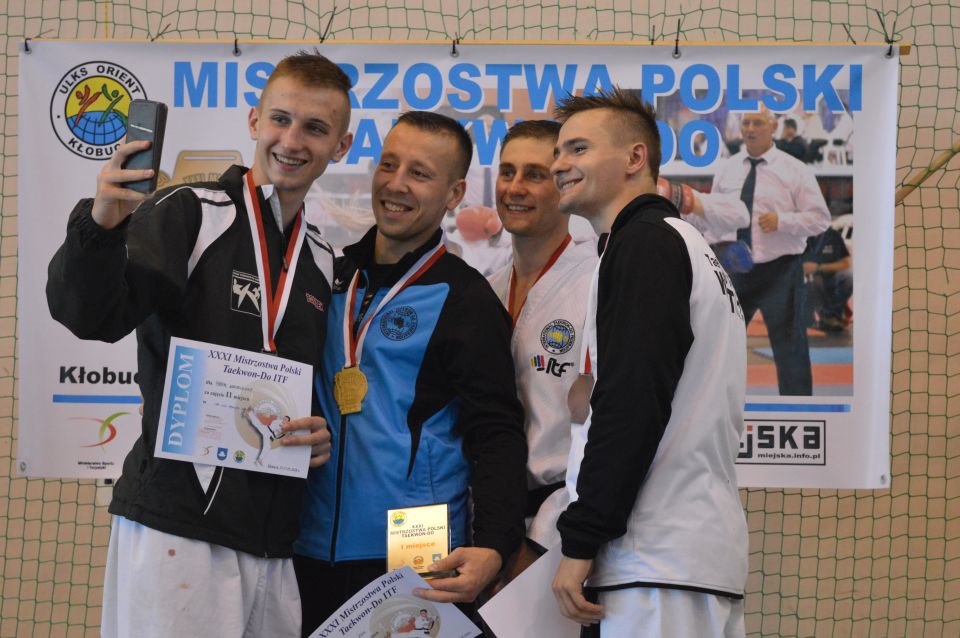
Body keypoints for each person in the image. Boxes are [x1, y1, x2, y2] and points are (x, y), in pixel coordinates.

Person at [46, 50, 353, 638]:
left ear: (340, 146)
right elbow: (91, 317)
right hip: (179, 528)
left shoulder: (319, 258)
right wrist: (101, 226)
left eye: (315, 128)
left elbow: (294, 381)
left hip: (273, 539)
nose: (293, 140)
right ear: (254, 121)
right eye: (281, 119)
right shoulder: (190, 212)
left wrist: (316, 432)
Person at [293, 111, 527, 634]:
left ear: (454, 193)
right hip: (307, 545)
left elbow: (496, 432)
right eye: (388, 165)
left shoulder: (465, 299)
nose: (396, 184)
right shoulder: (327, 277)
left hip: (415, 558)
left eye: (419, 174)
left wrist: (494, 545)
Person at [549, 88, 749, 637]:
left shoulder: (645, 244)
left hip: (655, 561)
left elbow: (632, 402)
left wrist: (582, 539)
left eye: (579, 149)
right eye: (559, 151)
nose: (559, 164)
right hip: (683, 558)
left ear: (635, 158)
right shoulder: (678, 244)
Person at [485, 120, 598, 580]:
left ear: (565, 185)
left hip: (562, 529)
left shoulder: (597, 284)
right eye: (507, 172)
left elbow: (608, 429)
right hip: (490, 523)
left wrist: (540, 542)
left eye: (534, 174)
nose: (515, 188)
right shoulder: (487, 289)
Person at [706, 107, 831, 395]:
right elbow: (715, 216)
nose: (750, 129)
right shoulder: (726, 169)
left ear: (773, 127)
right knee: (718, 347)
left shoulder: (795, 170)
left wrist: (783, 221)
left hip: (781, 271)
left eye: (758, 123)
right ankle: (715, 408)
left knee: (791, 351)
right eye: (746, 123)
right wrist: (711, 254)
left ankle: (798, 412)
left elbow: (820, 219)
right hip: (735, 269)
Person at [803, 226, 853, 332]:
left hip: (829, 280)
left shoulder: (832, 235)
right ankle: (806, 316)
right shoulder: (799, 234)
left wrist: (818, 268)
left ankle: (831, 315)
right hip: (807, 283)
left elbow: (846, 264)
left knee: (848, 277)